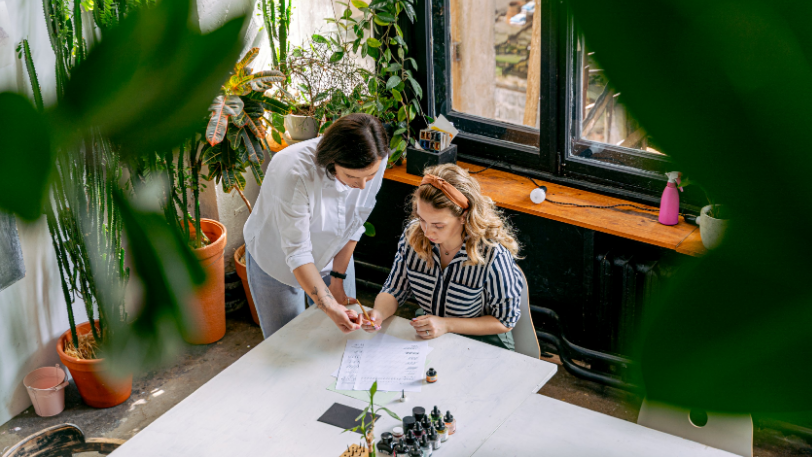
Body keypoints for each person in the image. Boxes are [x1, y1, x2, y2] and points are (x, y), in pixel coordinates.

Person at [243, 113, 387, 338]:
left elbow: (355, 223)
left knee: (341, 338)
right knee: (286, 344)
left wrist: (337, 282)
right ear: (332, 160)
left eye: (370, 176)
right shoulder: (294, 174)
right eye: (351, 177)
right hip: (278, 259)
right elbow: (298, 254)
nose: (361, 186)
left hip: (334, 253)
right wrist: (329, 305)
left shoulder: (374, 159)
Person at [362, 164, 524, 350]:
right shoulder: (413, 236)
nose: (428, 231)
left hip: (484, 340)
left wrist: (446, 324)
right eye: (422, 219)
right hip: (436, 334)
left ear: (463, 216)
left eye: (438, 225)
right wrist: (377, 314)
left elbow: (506, 321)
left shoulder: (491, 255)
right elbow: (394, 289)